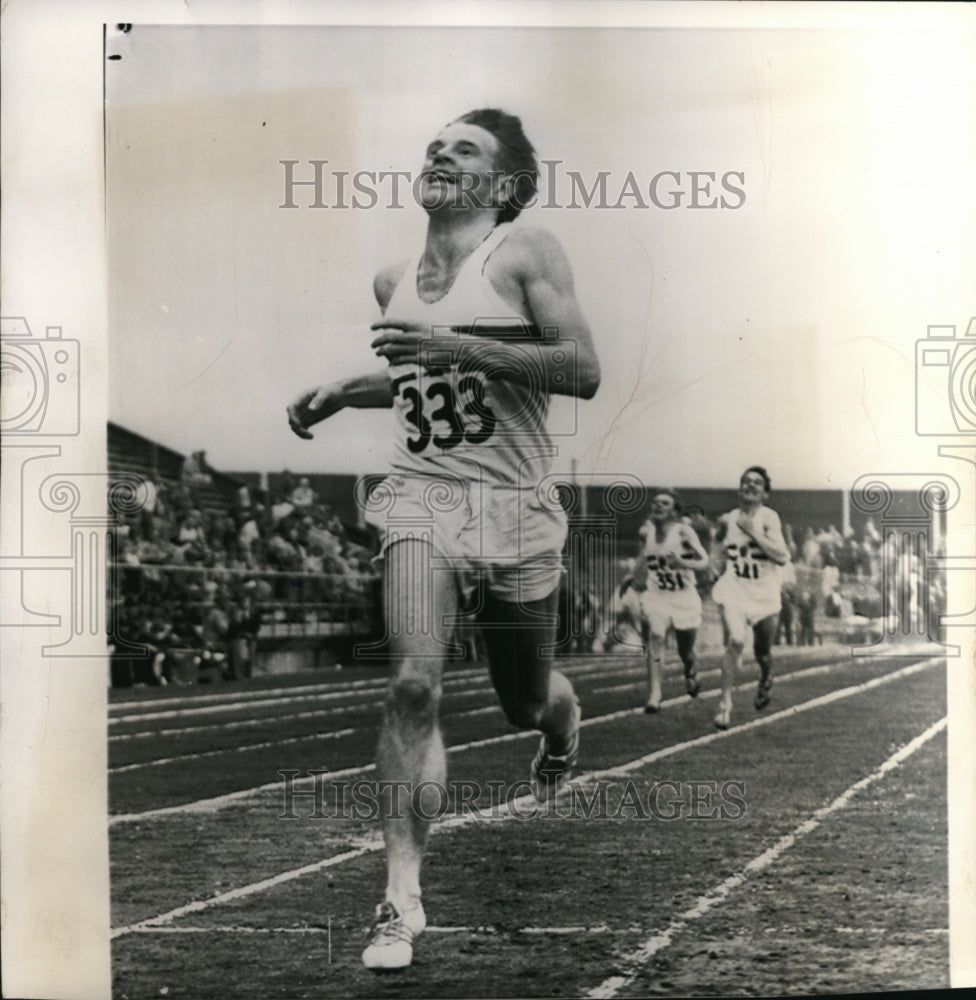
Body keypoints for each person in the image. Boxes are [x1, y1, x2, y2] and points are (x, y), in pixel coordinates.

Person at [286, 108, 600, 970]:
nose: (439, 152)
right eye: (435, 143)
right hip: (422, 498)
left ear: (501, 186)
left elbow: (580, 370)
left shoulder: (526, 251)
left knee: (523, 702)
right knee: (414, 687)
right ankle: (399, 900)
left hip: (517, 508)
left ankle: (560, 731)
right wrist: (354, 389)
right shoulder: (392, 277)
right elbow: (429, 383)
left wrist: (452, 342)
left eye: (466, 149)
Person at [710, 466, 789, 730]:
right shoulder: (727, 519)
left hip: (765, 594)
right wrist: (714, 565)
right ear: (739, 489)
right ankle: (724, 705)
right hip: (735, 589)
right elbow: (719, 550)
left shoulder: (769, 518)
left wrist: (753, 532)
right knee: (735, 640)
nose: (750, 486)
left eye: (757, 483)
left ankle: (766, 675)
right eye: (746, 481)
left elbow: (781, 556)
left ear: (764, 492)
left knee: (763, 653)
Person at [620, 489, 709, 712]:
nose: (658, 506)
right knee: (656, 636)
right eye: (656, 503)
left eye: (665, 503)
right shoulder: (646, 532)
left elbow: (704, 561)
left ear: (674, 511)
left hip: (684, 598)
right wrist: (631, 576)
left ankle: (691, 671)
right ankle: (655, 694)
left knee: (685, 652)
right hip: (657, 595)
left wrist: (684, 563)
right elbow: (644, 556)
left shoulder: (683, 532)